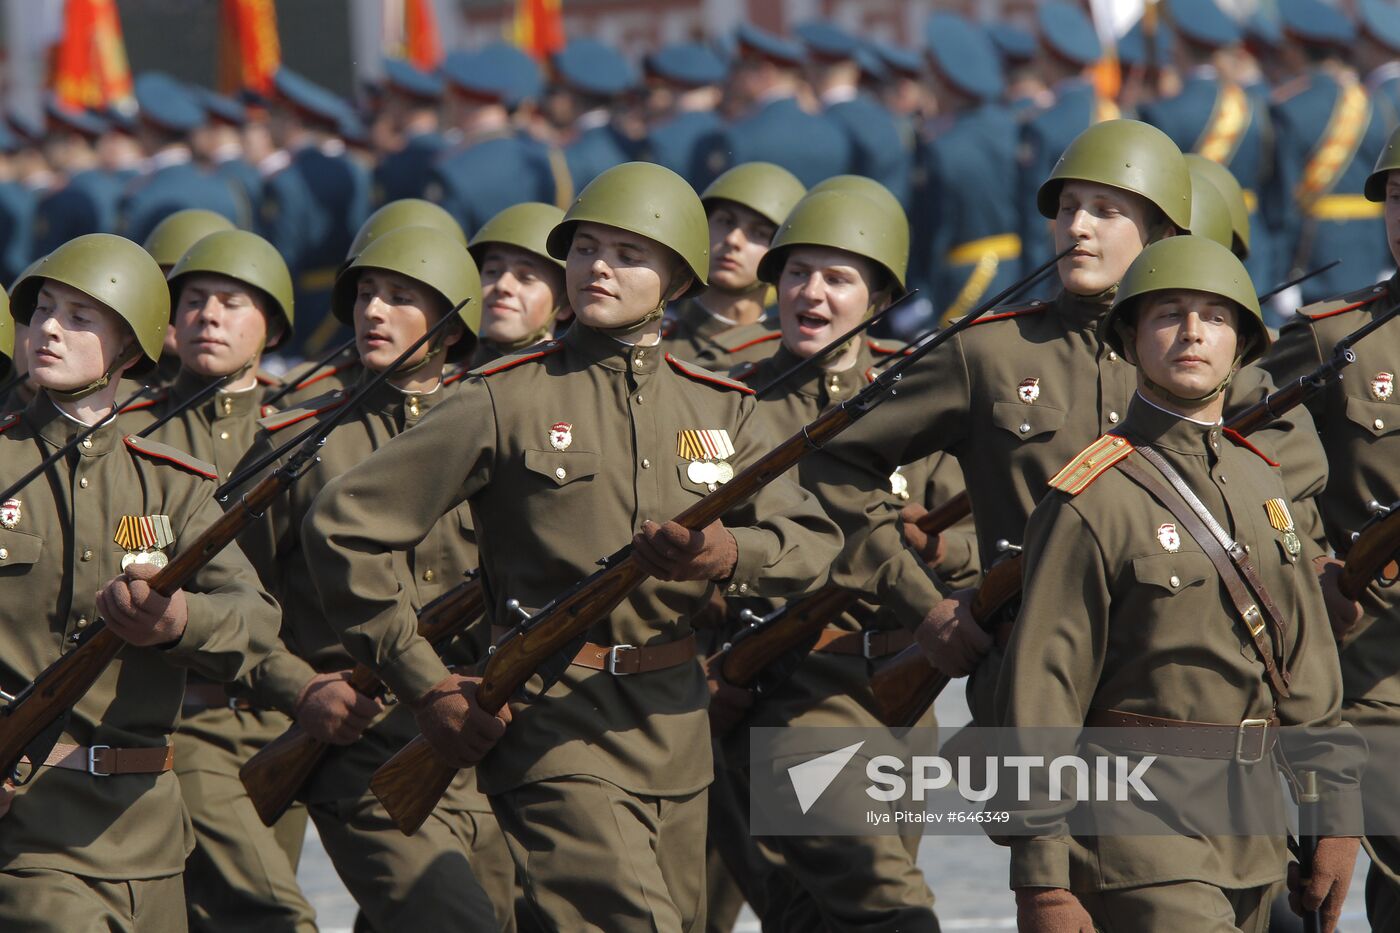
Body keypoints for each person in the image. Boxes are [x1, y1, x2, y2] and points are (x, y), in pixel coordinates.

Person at [302, 161, 842, 931]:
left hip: (676, 729)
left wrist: (728, 557)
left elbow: (812, 540)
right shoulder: (505, 396)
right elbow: (344, 525)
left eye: (628, 254)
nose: (598, 267)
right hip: (551, 720)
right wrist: (424, 682)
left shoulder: (724, 406)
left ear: (679, 278)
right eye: (585, 248)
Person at [802, 119, 1328, 732]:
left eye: (1105, 211)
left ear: (1162, 231)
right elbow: (833, 461)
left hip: (1183, 700)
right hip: (1035, 693)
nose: (1077, 227)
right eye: (1068, 209)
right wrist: (923, 604)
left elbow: (1290, 510)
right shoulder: (989, 354)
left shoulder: (1208, 363)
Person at [1000, 235, 1361, 933]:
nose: (1193, 333)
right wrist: (1041, 879)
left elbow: (1308, 667)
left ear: (1243, 344)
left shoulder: (1262, 480)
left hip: (1255, 839)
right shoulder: (1090, 498)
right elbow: (1042, 696)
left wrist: (1335, 812)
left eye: (1215, 317)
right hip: (1139, 841)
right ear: (1131, 338)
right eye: (1168, 313)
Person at [235, 225, 516, 930]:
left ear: (453, 326)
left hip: (482, 736)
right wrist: (300, 686)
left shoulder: (500, 424)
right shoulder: (299, 442)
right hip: (359, 743)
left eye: (400, 296)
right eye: (365, 293)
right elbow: (234, 591)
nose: (373, 311)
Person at [0, 233, 279, 932]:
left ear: (129, 349)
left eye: (81, 317)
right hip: (27, 824)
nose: (50, 329)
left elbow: (254, 615)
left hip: (149, 834)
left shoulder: (169, 485)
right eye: (43, 312)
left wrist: (179, 621)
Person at [718, 187, 979, 932]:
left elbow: (974, 545)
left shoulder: (914, 400)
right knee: (890, 905)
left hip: (903, 690)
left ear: (879, 298)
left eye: (838, 278)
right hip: (787, 692)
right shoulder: (732, 403)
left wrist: (931, 545)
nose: (811, 293)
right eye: (798, 273)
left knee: (815, 916)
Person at [124, 229, 316, 932]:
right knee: (276, 913)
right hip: (186, 713)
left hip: (286, 718)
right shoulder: (135, 433)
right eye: (194, 301)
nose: (208, 315)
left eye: (232, 302)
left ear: (272, 323)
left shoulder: (303, 430)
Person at [1262, 125, 1400, 930]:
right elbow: (1250, 465)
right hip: (1370, 688)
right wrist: (1308, 558)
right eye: (1395, 195)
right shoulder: (1335, 337)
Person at [915, 12, 1022, 321]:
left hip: (961, 284)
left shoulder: (942, 148)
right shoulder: (1017, 129)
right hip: (1021, 276)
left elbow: (935, 234)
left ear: (942, 76)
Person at [660, 161, 804, 364]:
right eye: (726, 221)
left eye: (759, 233)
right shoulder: (652, 341)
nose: (733, 240)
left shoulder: (789, 359)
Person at [466, 201, 569, 368]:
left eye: (526, 277)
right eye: (492, 271)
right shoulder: (442, 382)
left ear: (564, 305)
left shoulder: (572, 385)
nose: (502, 286)